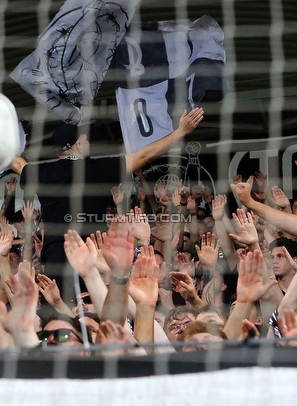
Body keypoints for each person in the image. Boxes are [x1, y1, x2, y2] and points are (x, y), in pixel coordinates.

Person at [15, 107, 204, 298]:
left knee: (63, 314)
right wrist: (181, 131)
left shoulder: (41, 172)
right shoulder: (100, 168)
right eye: (85, 139)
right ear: (78, 144)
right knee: (101, 312)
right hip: (95, 255)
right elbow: (145, 155)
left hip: (58, 258)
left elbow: (16, 163)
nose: (88, 142)